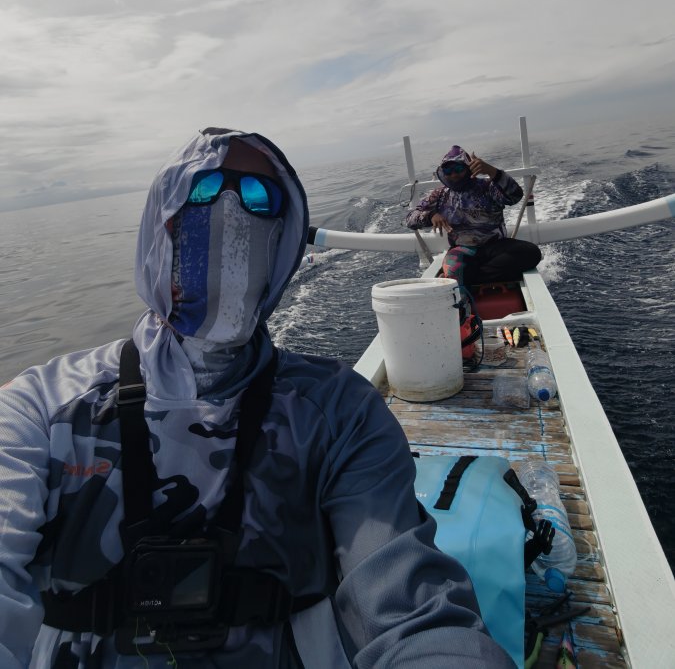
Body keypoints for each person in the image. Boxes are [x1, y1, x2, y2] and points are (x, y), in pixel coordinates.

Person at [0, 127, 514, 668]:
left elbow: (409, 606)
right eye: (201, 190)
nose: (229, 213)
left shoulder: (341, 411)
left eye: (259, 198)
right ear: (161, 225)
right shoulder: (40, 409)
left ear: (282, 242)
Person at [406, 145, 542, 291]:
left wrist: (492, 171)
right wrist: (430, 215)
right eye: (448, 171)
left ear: (469, 168)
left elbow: (515, 196)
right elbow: (409, 219)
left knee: (531, 253)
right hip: (462, 249)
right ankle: (470, 276)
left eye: (458, 169)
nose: (453, 174)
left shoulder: (487, 187)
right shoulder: (440, 195)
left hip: (496, 246)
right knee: (455, 268)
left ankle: (467, 276)